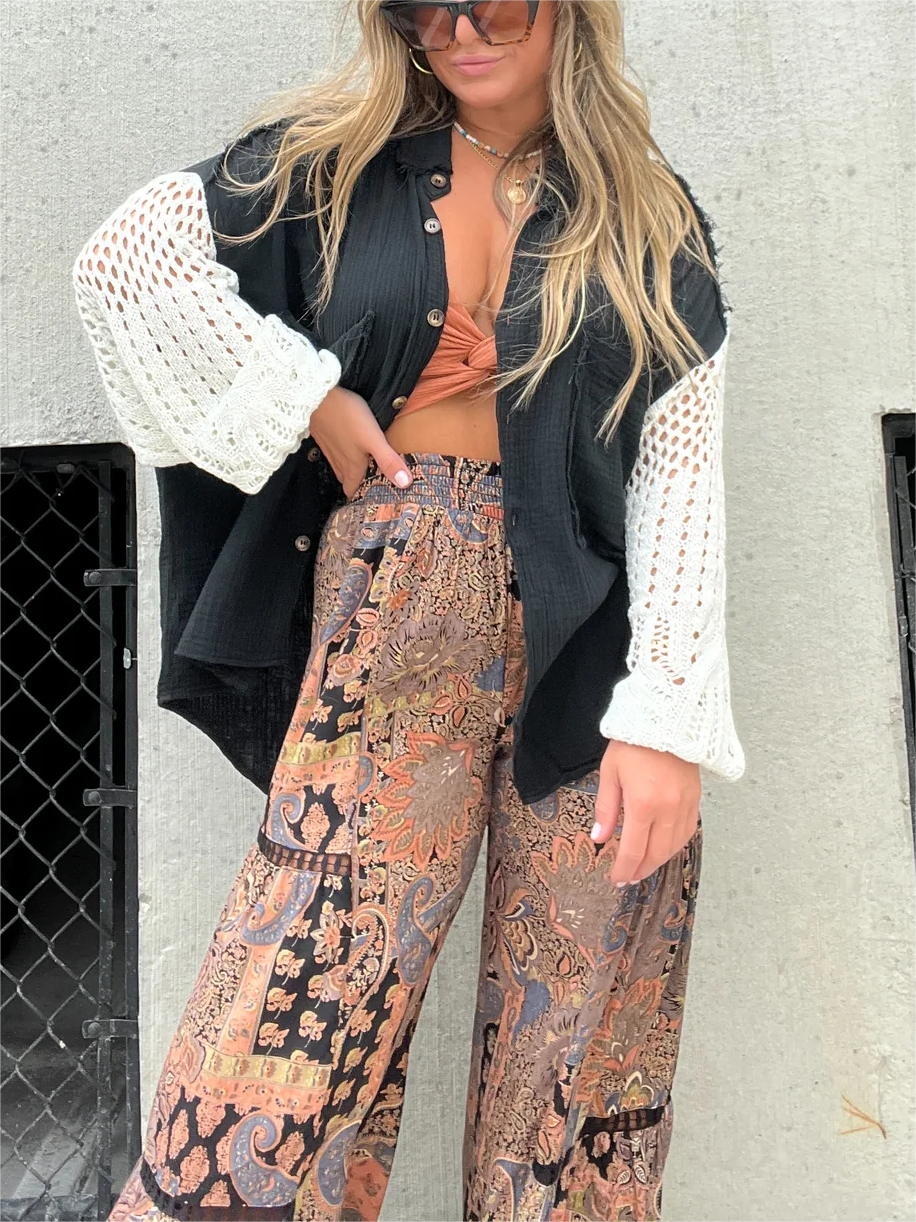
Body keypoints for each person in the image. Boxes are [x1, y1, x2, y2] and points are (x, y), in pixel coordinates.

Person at [71, 0, 746, 1215]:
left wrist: (670, 716)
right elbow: (123, 266)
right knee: (297, 1004)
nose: (461, 29)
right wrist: (306, 396)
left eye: (496, 2)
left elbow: (678, 470)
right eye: (424, 8)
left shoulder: (647, 211)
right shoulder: (330, 164)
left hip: (600, 648)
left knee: (580, 1054)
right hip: (397, 595)